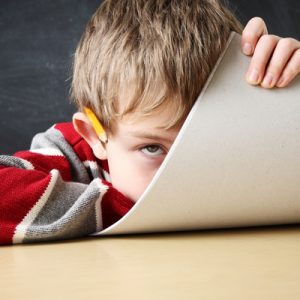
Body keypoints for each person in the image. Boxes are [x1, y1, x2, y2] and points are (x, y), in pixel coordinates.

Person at [0, 0, 299, 245]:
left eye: (206, 140)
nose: (184, 177)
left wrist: (286, 102)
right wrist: (138, 212)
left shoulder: (255, 137)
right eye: (153, 148)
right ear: (96, 136)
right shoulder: (72, 153)